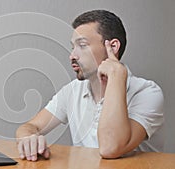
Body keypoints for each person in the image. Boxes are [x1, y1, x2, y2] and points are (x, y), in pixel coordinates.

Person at [15, 9, 164, 161]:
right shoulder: (73, 91)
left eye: (82, 45)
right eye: (73, 47)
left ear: (112, 47)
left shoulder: (147, 93)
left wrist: (116, 76)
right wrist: (28, 137)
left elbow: (110, 148)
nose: (72, 56)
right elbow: (30, 126)